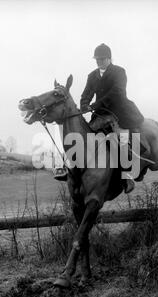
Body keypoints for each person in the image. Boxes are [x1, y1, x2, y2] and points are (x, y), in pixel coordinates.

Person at [54, 44, 145, 193]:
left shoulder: (119, 72)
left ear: (109, 58)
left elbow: (117, 93)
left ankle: (127, 176)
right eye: (97, 59)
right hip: (100, 114)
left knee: (120, 138)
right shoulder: (92, 75)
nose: (99, 61)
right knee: (82, 137)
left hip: (119, 112)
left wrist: (94, 105)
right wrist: (84, 105)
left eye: (102, 59)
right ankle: (67, 169)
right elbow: (86, 93)